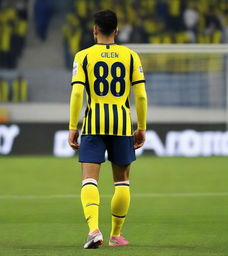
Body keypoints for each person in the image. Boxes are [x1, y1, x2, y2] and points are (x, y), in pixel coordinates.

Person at [68, 10, 147, 249]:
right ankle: (115, 235)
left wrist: (73, 127)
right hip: (122, 125)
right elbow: (141, 95)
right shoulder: (131, 56)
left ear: (94, 30)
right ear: (116, 31)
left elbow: (78, 93)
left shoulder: (83, 56)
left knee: (89, 179)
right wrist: (141, 127)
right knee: (122, 182)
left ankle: (94, 230)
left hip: (93, 124)